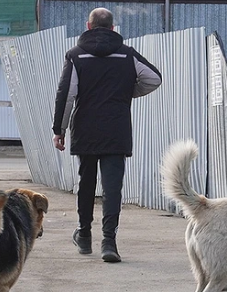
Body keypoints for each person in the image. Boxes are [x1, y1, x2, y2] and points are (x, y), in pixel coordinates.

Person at [52, 7, 162, 263]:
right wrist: (125, 92)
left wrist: (59, 129)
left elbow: (67, 95)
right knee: (113, 188)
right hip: (116, 128)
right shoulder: (127, 54)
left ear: (88, 26)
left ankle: (84, 235)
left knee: (86, 183)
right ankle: (109, 242)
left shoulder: (76, 55)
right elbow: (154, 79)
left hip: (86, 129)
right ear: (113, 28)